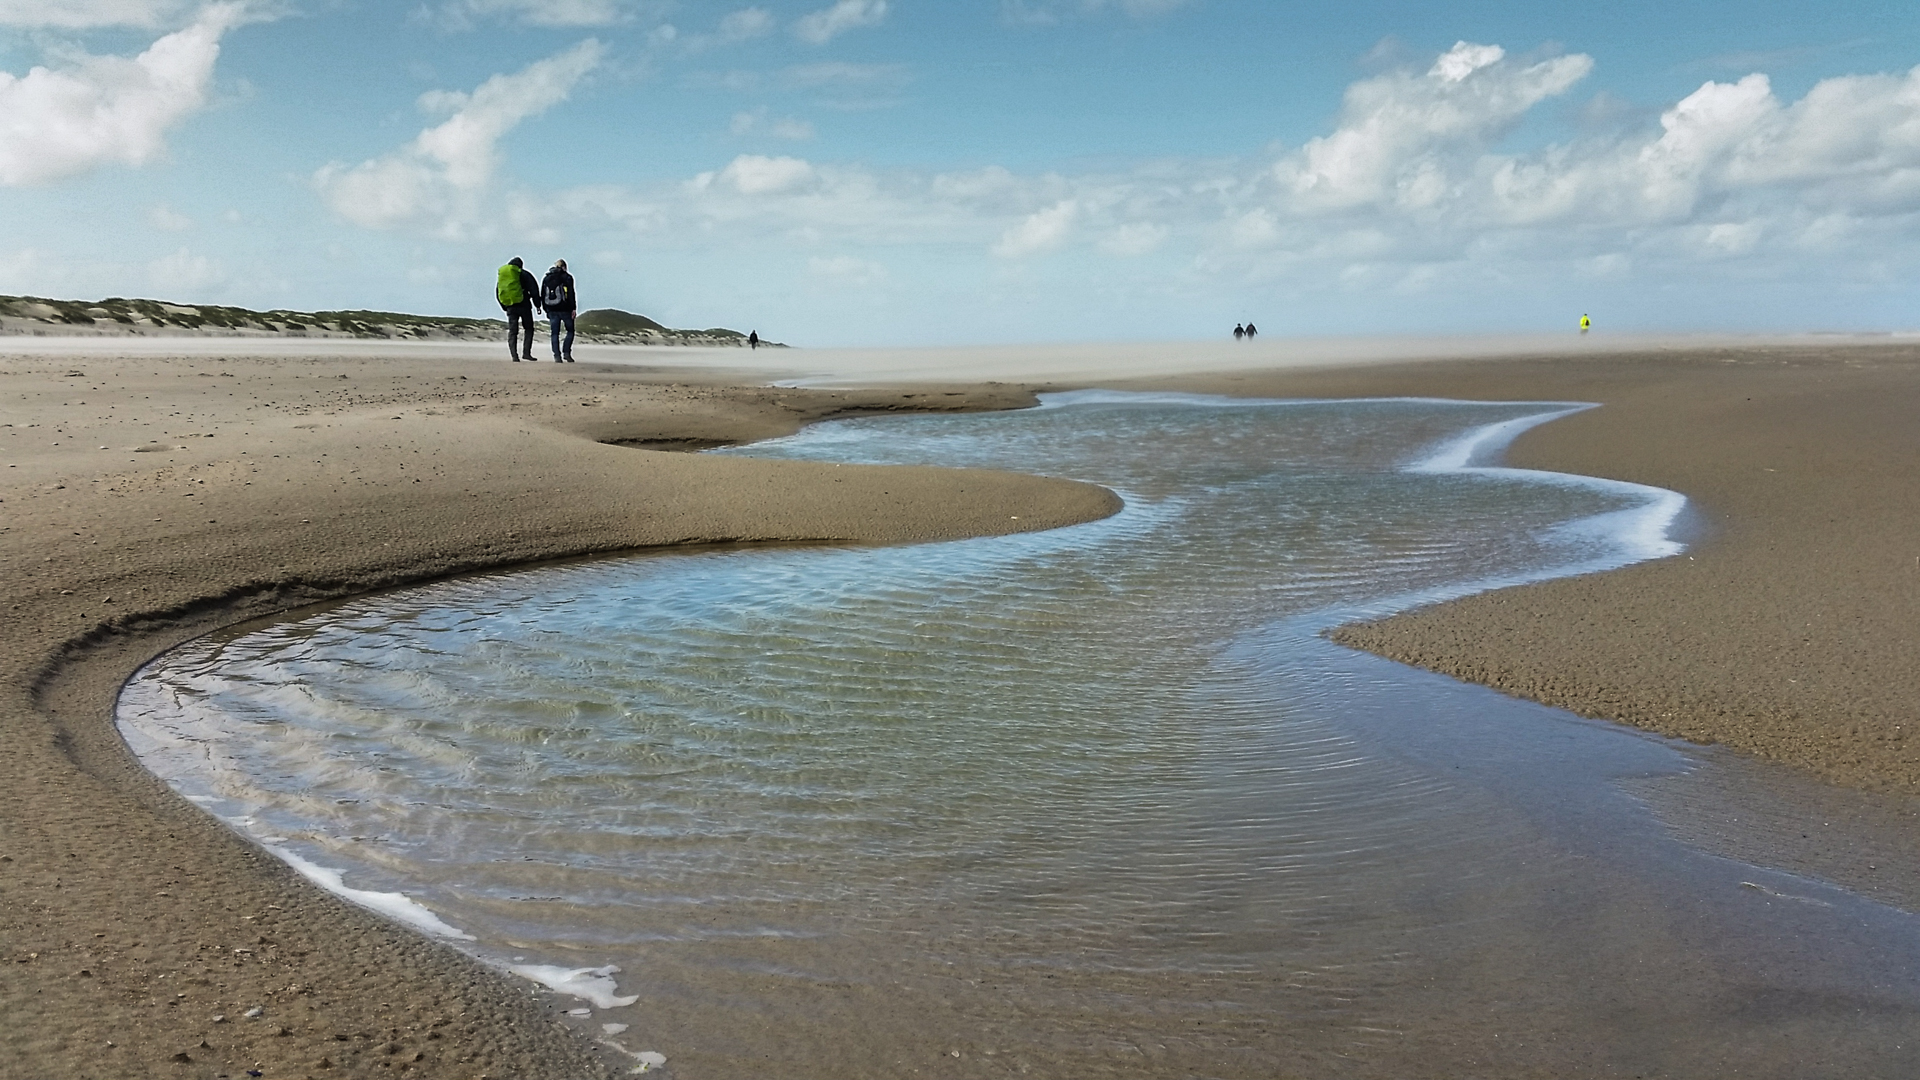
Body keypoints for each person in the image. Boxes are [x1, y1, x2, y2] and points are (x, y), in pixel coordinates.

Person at [496, 257, 542, 361]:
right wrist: (538, 305)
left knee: (513, 331)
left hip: (510, 307)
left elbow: (498, 292)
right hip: (524, 305)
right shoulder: (524, 274)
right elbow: (534, 289)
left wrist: (505, 306)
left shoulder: (504, 277)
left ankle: (514, 356)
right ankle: (526, 353)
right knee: (528, 328)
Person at [541, 259, 577, 362]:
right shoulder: (567, 277)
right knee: (570, 331)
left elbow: (542, 294)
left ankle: (557, 356)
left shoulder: (547, 278)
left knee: (554, 333)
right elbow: (571, 294)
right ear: (564, 267)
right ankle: (566, 353)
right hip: (566, 309)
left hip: (551, 309)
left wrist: (546, 309)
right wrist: (573, 308)